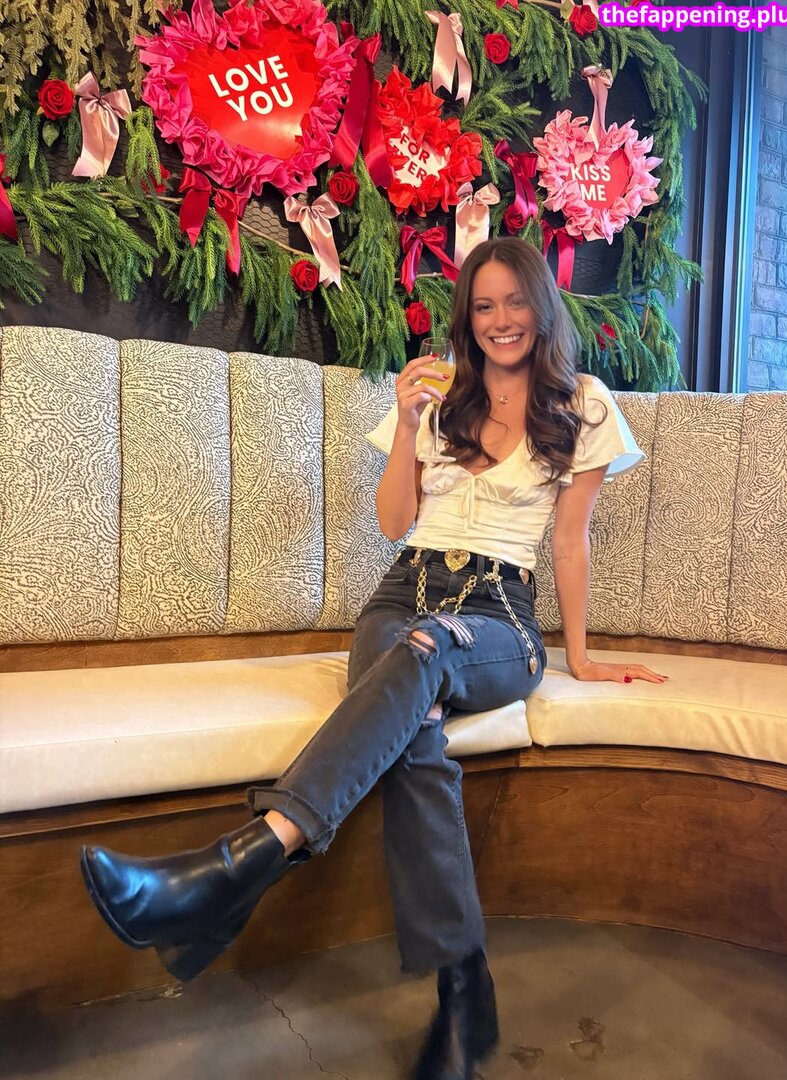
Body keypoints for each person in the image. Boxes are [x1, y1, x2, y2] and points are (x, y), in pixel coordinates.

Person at [79, 236, 667, 1079]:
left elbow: (570, 543)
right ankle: (463, 995)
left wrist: (582, 658)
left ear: (541, 305)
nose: (500, 319)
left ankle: (237, 868)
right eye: (483, 305)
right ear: (466, 317)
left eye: (514, 301)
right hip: (401, 595)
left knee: (425, 654)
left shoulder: (582, 401)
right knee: (415, 728)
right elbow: (394, 524)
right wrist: (404, 424)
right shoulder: (438, 395)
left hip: (497, 613)